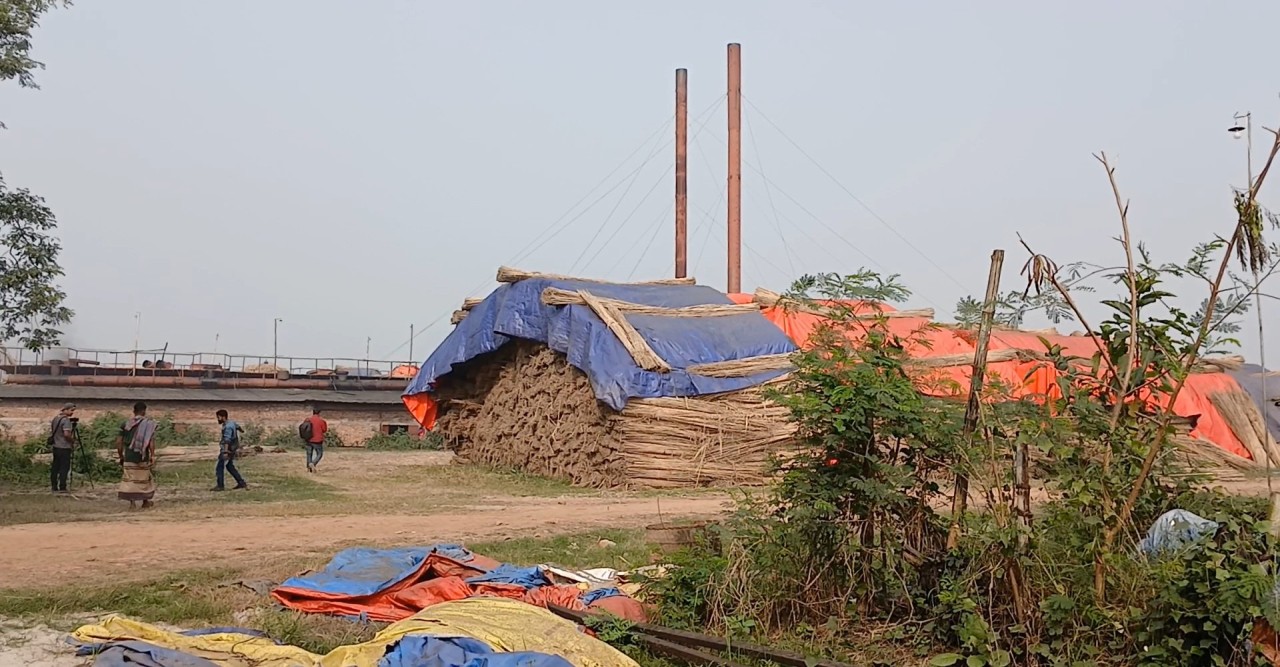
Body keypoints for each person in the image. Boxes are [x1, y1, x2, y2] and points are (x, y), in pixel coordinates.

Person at [116, 401, 157, 510]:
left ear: (134, 411)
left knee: (130, 480)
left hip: (129, 455)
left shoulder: (126, 424)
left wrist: (120, 455)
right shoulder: (149, 424)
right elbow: (151, 442)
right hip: (142, 455)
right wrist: (153, 455)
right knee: (144, 479)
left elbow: (119, 441)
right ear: (144, 411)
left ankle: (132, 503)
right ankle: (145, 502)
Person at [214, 409, 248, 491]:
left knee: (219, 467)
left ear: (223, 417)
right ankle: (241, 483)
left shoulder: (228, 427)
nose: (218, 419)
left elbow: (227, 440)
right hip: (233, 448)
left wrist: (225, 452)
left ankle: (220, 486)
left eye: (218, 417)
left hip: (228, 449)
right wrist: (241, 431)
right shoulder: (231, 423)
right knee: (229, 466)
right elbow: (237, 426)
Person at [49, 403, 76, 494]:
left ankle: (54, 486)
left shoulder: (55, 419)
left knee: (55, 467)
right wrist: (72, 441)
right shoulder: (66, 421)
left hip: (56, 446)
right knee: (64, 468)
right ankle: (62, 487)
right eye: (71, 410)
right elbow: (66, 434)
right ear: (66, 410)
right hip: (64, 447)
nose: (72, 413)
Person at [301, 407, 328, 473]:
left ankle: (308, 468)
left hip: (308, 439)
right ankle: (313, 463)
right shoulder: (321, 421)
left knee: (309, 454)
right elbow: (324, 430)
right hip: (317, 440)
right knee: (319, 454)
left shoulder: (307, 420)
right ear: (319, 413)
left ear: (313, 412)